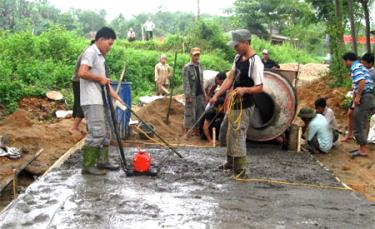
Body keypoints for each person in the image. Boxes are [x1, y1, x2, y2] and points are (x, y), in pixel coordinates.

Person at [209, 29, 264, 178]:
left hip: (245, 105)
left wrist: (245, 89)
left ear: (246, 43)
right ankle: (231, 161)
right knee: (227, 130)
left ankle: (240, 170)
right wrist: (217, 94)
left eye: (237, 45)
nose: (235, 48)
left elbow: (260, 87)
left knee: (238, 134)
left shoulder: (255, 62)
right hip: (234, 102)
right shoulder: (237, 58)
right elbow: (230, 78)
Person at [78, 27, 124, 175]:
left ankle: (103, 161)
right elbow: (82, 72)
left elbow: (104, 83)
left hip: (101, 98)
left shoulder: (100, 57)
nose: (110, 47)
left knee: (106, 133)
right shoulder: (91, 52)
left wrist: (117, 98)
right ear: (101, 39)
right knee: (97, 133)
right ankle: (88, 165)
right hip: (92, 100)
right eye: (109, 44)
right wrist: (100, 78)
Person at [343, 52, 374, 158]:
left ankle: (363, 150)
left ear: (348, 60)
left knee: (358, 121)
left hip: (365, 96)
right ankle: (361, 147)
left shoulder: (355, 67)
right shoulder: (359, 66)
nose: (345, 64)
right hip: (366, 96)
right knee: (358, 120)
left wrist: (358, 97)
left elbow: (361, 82)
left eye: (344, 62)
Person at [183, 47, 207, 136]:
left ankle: (196, 130)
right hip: (191, 94)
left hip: (200, 93)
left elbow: (202, 81)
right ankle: (187, 130)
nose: (197, 57)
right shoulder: (187, 67)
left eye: (198, 55)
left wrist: (204, 94)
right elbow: (186, 83)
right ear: (191, 55)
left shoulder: (200, 66)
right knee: (189, 112)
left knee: (200, 111)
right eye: (195, 55)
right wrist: (188, 96)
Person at [69, 44, 90, 134]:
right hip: (79, 80)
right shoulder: (90, 53)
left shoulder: (87, 50)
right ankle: (73, 127)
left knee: (77, 102)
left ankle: (74, 119)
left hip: (76, 80)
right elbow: (85, 71)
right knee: (82, 105)